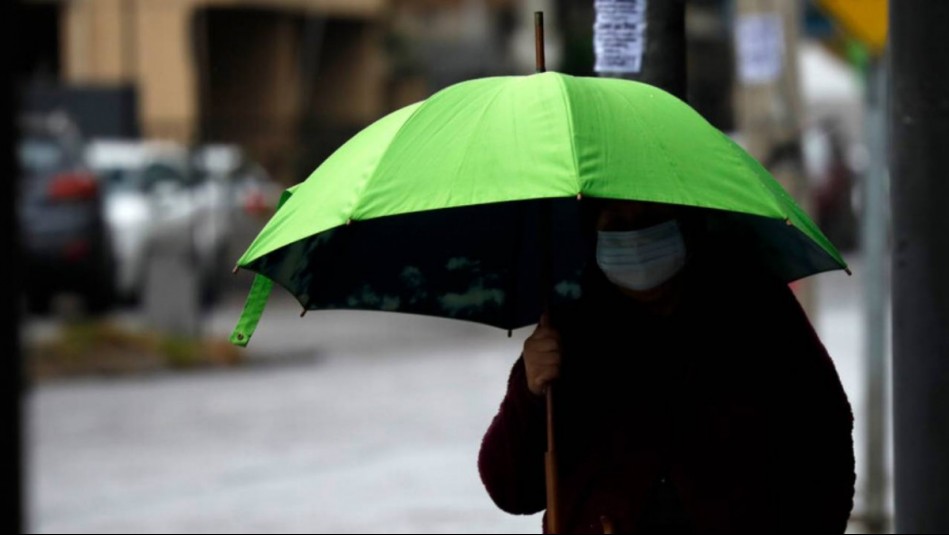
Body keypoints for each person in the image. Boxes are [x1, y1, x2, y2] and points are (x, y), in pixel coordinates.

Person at [478, 199, 855, 534]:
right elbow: (511, 490)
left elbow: (825, 442)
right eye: (617, 224)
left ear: (684, 220)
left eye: (648, 219)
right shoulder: (568, 332)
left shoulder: (756, 311)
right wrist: (528, 392)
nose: (636, 239)